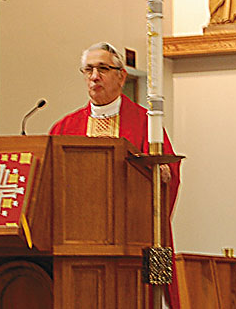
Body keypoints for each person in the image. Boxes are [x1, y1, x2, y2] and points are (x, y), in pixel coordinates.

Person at [49, 42, 181, 308]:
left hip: (131, 244)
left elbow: (170, 175)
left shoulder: (146, 123)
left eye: (102, 69)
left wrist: (162, 172)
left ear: (121, 76)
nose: (94, 76)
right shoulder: (65, 127)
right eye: (88, 70)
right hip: (78, 244)